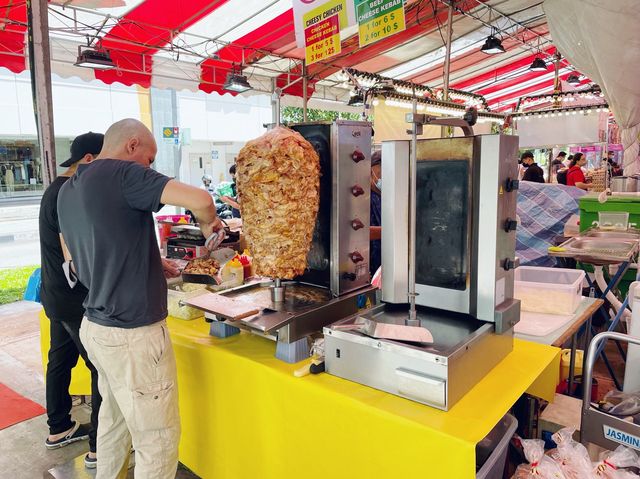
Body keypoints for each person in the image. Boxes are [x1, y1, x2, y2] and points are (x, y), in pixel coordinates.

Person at [57, 119, 224, 479]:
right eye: (148, 160)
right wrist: (211, 225)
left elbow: (81, 250)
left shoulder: (69, 188)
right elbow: (201, 199)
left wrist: (149, 261)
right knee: (157, 442)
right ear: (132, 145)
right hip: (133, 335)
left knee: (113, 424)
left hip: (97, 326)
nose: (149, 169)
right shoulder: (121, 174)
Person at [40, 132, 104, 469]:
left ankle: (59, 427)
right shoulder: (69, 192)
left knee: (60, 360)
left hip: (53, 293)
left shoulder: (54, 188)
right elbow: (75, 255)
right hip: (75, 300)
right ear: (91, 160)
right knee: (100, 367)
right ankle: (98, 447)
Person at [370, 151, 382, 276]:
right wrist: (391, 232)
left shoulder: (388, 197)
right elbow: (358, 232)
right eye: (379, 175)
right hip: (369, 267)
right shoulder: (361, 199)